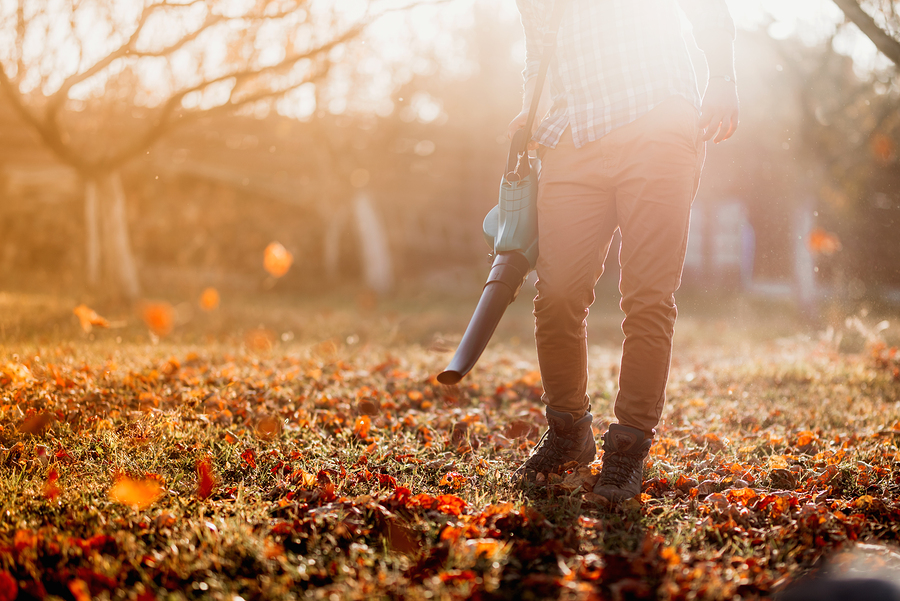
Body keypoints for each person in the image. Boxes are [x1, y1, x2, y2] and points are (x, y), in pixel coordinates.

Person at [509, 0, 740, 502]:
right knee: (558, 294)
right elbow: (539, 54)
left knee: (647, 295)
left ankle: (628, 448)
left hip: (656, 116)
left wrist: (722, 76)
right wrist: (527, 113)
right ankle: (569, 430)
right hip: (572, 135)